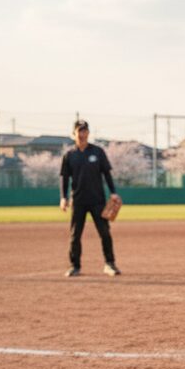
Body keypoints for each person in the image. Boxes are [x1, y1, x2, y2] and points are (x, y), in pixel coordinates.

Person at [59, 119, 120, 277]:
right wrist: (63, 197)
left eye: (85, 130)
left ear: (88, 133)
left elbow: (106, 173)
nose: (82, 134)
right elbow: (64, 178)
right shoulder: (69, 155)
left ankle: (109, 264)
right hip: (78, 200)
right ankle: (75, 266)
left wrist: (113, 192)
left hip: (97, 200)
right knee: (75, 235)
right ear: (73, 134)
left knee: (104, 232)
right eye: (79, 131)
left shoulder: (97, 152)